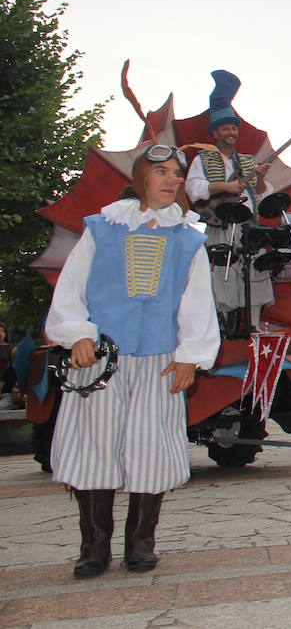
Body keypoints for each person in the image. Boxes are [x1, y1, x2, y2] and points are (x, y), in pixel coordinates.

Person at [45, 143, 221, 578]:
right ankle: (93, 547)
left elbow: (197, 301)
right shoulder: (102, 228)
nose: (171, 180)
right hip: (101, 360)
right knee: (93, 447)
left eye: (176, 173)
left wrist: (190, 357)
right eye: (161, 171)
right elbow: (71, 289)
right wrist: (77, 335)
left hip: (159, 359)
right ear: (142, 177)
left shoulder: (188, 238)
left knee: (152, 447)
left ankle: (141, 543)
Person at [184, 70, 274, 330]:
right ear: (216, 133)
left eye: (234, 127)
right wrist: (226, 186)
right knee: (222, 275)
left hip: (248, 226)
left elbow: (262, 195)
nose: (232, 132)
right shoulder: (203, 159)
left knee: (256, 271)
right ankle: (222, 327)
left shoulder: (248, 160)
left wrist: (258, 180)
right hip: (220, 226)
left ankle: (255, 325)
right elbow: (194, 189)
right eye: (226, 128)